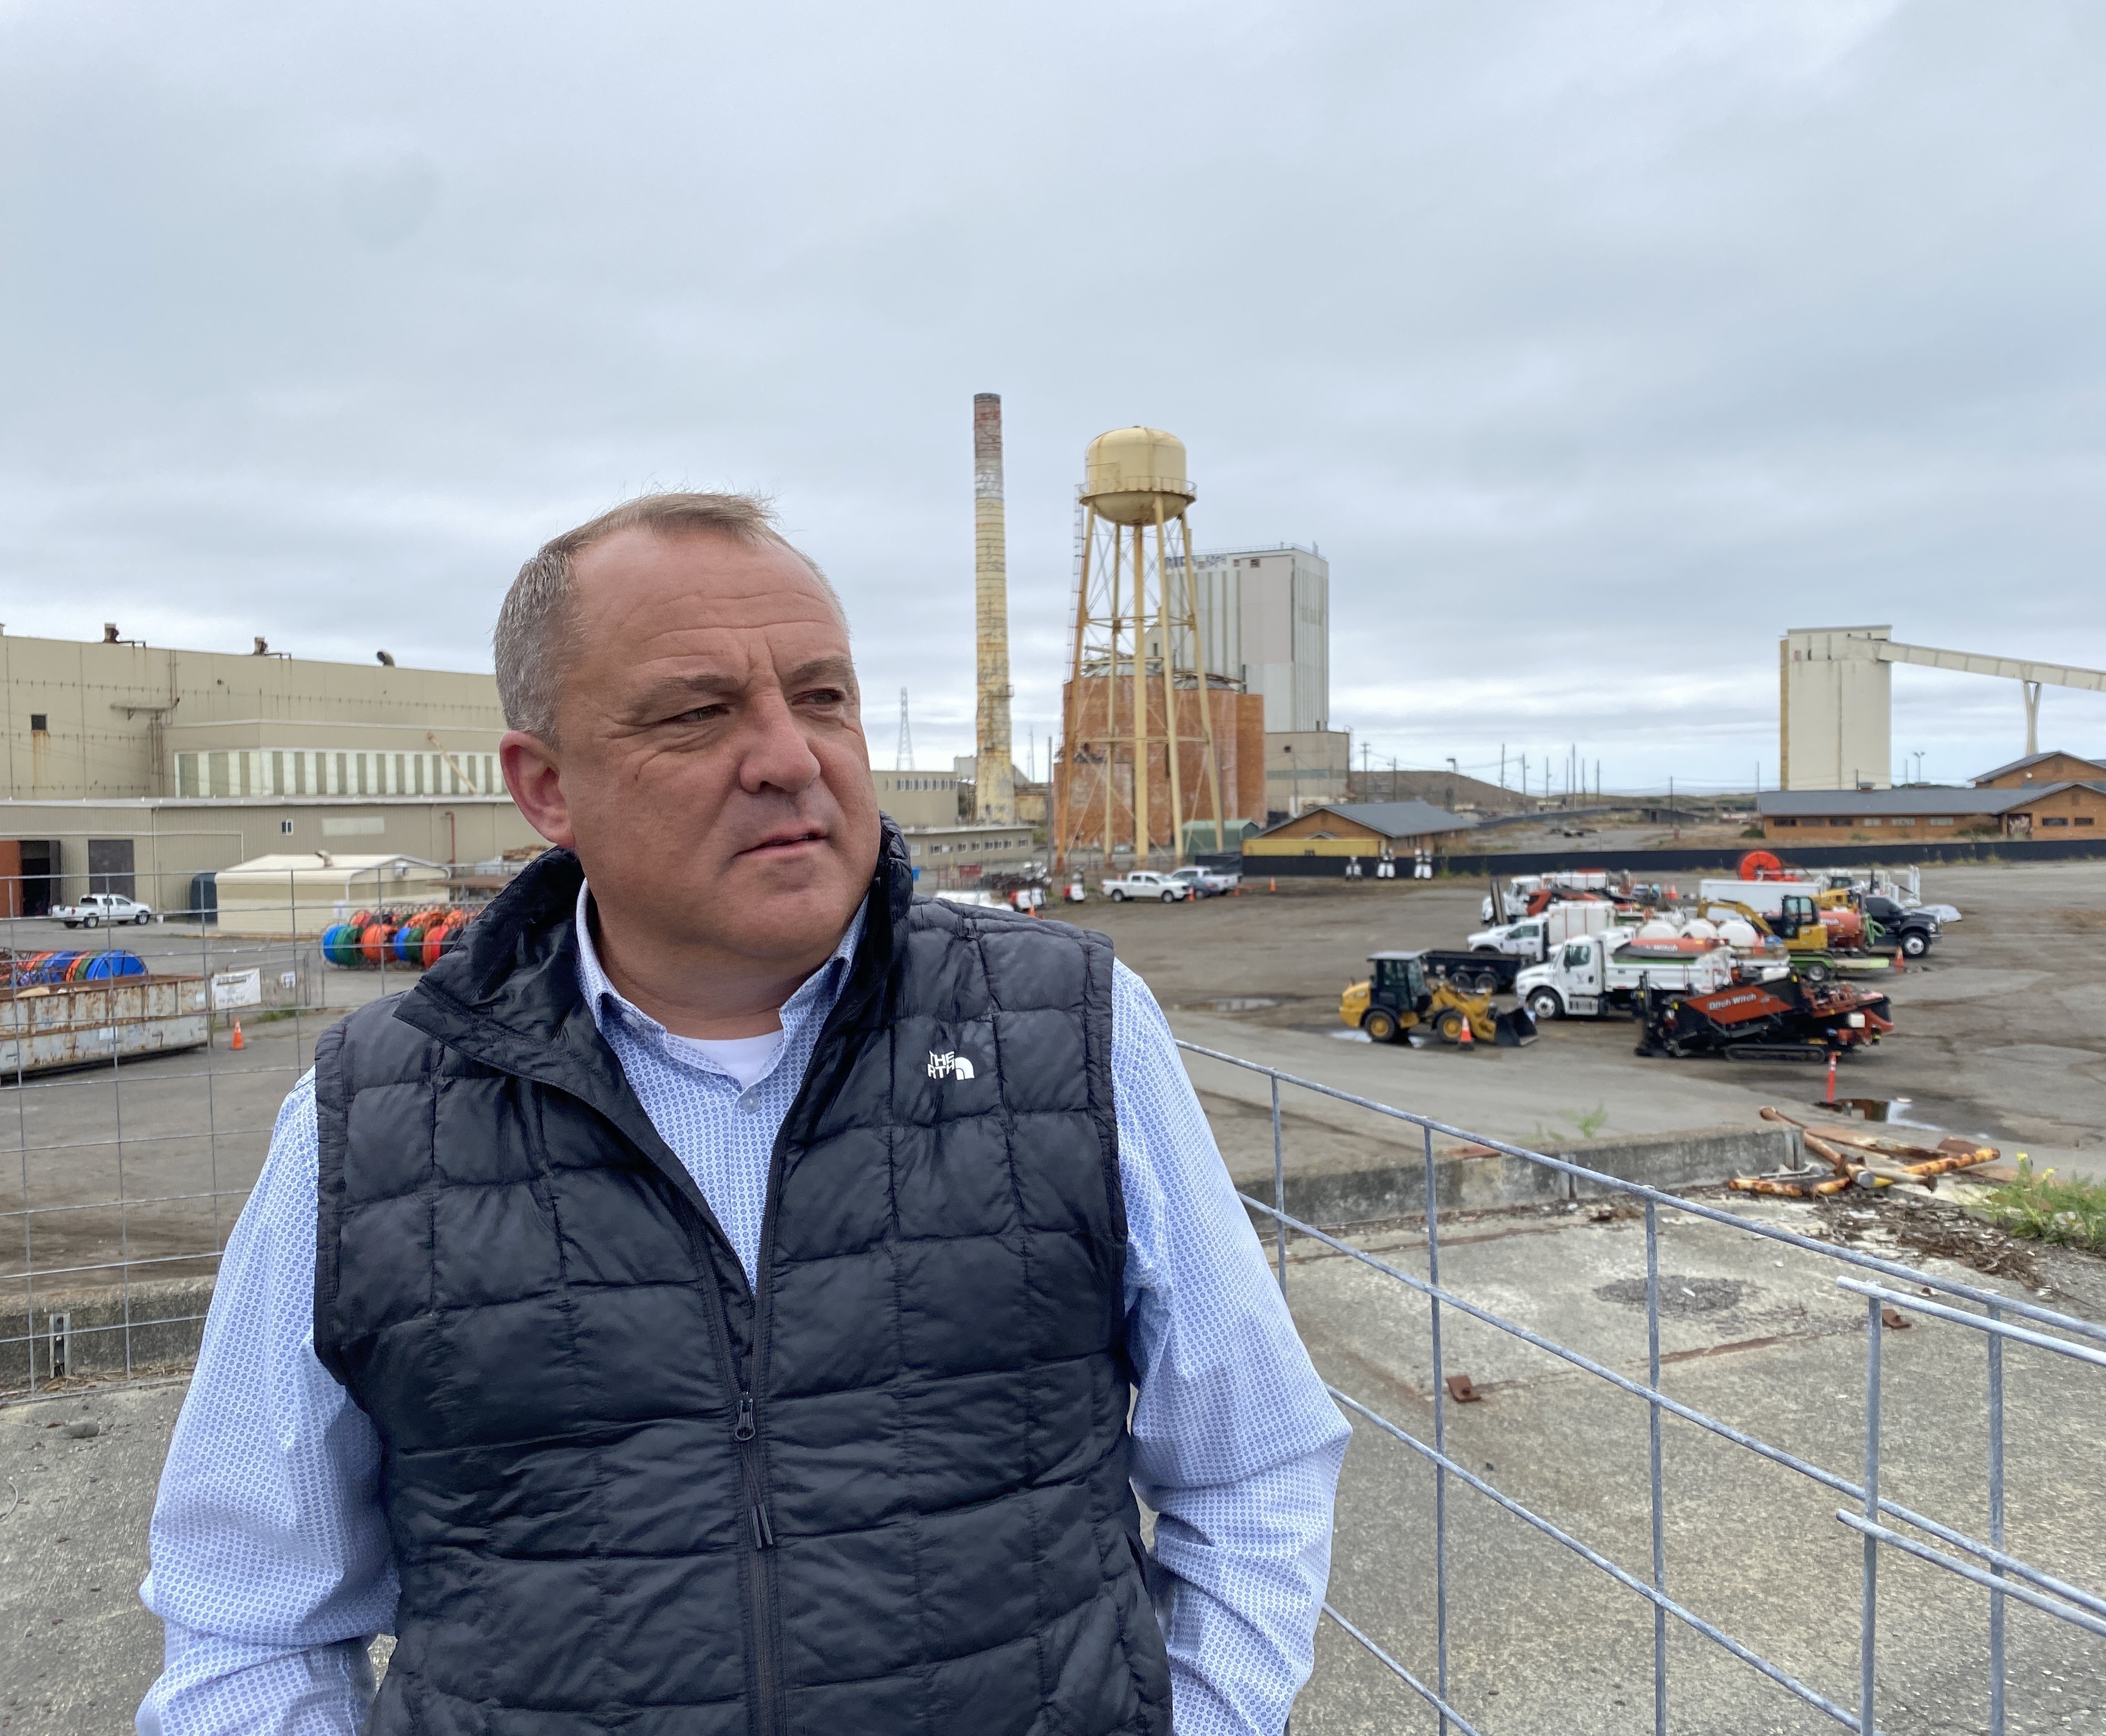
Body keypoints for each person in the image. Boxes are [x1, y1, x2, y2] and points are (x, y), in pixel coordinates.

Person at [139, 493, 1349, 1736]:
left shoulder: (1075, 1027)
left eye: (822, 697)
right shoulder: (365, 1123)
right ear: (546, 786)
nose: (789, 755)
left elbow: (1254, 1467)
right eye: (699, 712)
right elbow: (245, 1623)